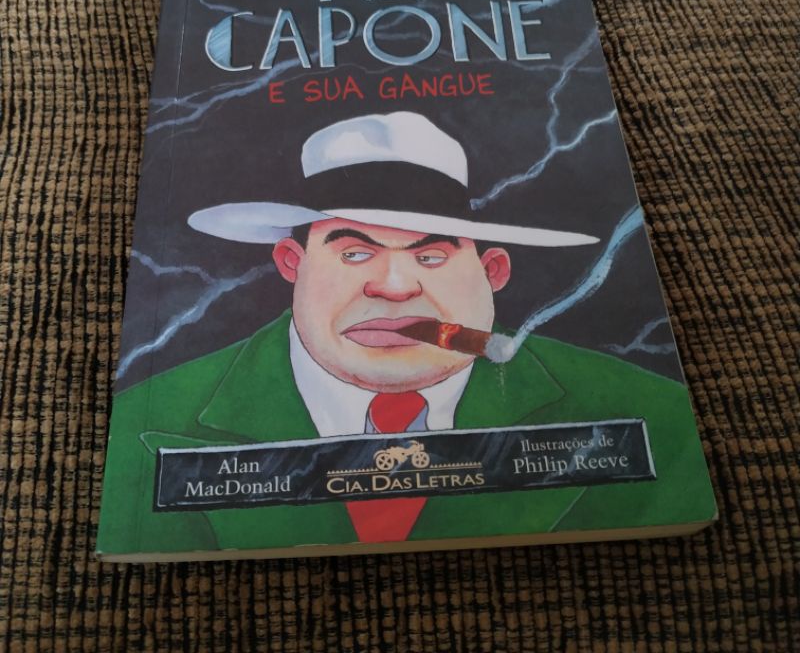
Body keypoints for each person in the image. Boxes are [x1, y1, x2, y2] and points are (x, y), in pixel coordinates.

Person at [97, 112, 715, 556]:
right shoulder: (150, 416)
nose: (394, 288)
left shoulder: (650, 410)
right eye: (355, 253)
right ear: (291, 264)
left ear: (493, 272)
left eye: (431, 256)